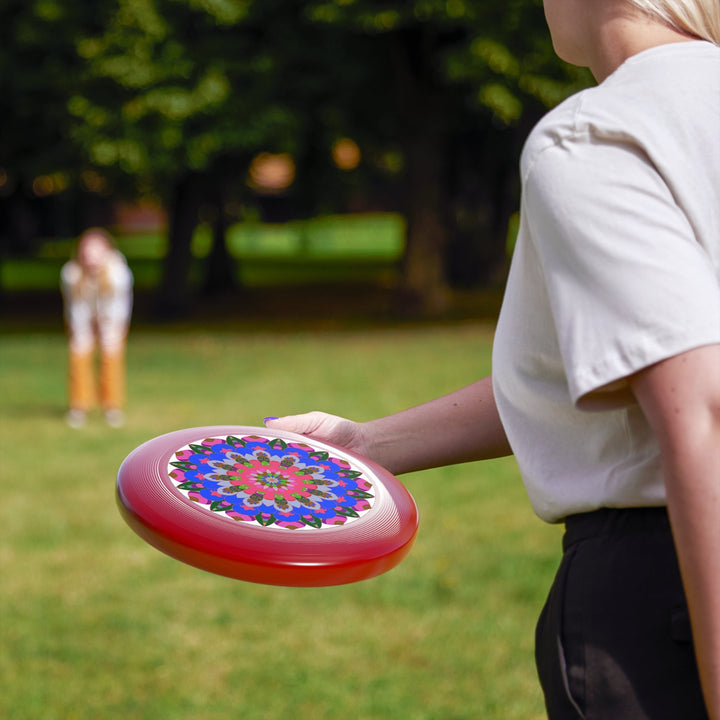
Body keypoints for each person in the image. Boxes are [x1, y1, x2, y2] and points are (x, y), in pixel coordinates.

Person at [264, 1, 720, 717]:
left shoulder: (600, 135)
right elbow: (609, 370)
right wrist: (367, 444)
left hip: (669, 595)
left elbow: (701, 409)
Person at [60, 227, 133, 428]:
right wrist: (84, 329)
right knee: (79, 354)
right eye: (87, 251)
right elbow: (76, 306)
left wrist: (106, 327)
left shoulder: (118, 273)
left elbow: (118, 306)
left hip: (112, 319)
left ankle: (112, 406)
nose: (91, 257)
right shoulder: (71, 273)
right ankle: (79, 406)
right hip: (82, 319)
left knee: (111, 357)